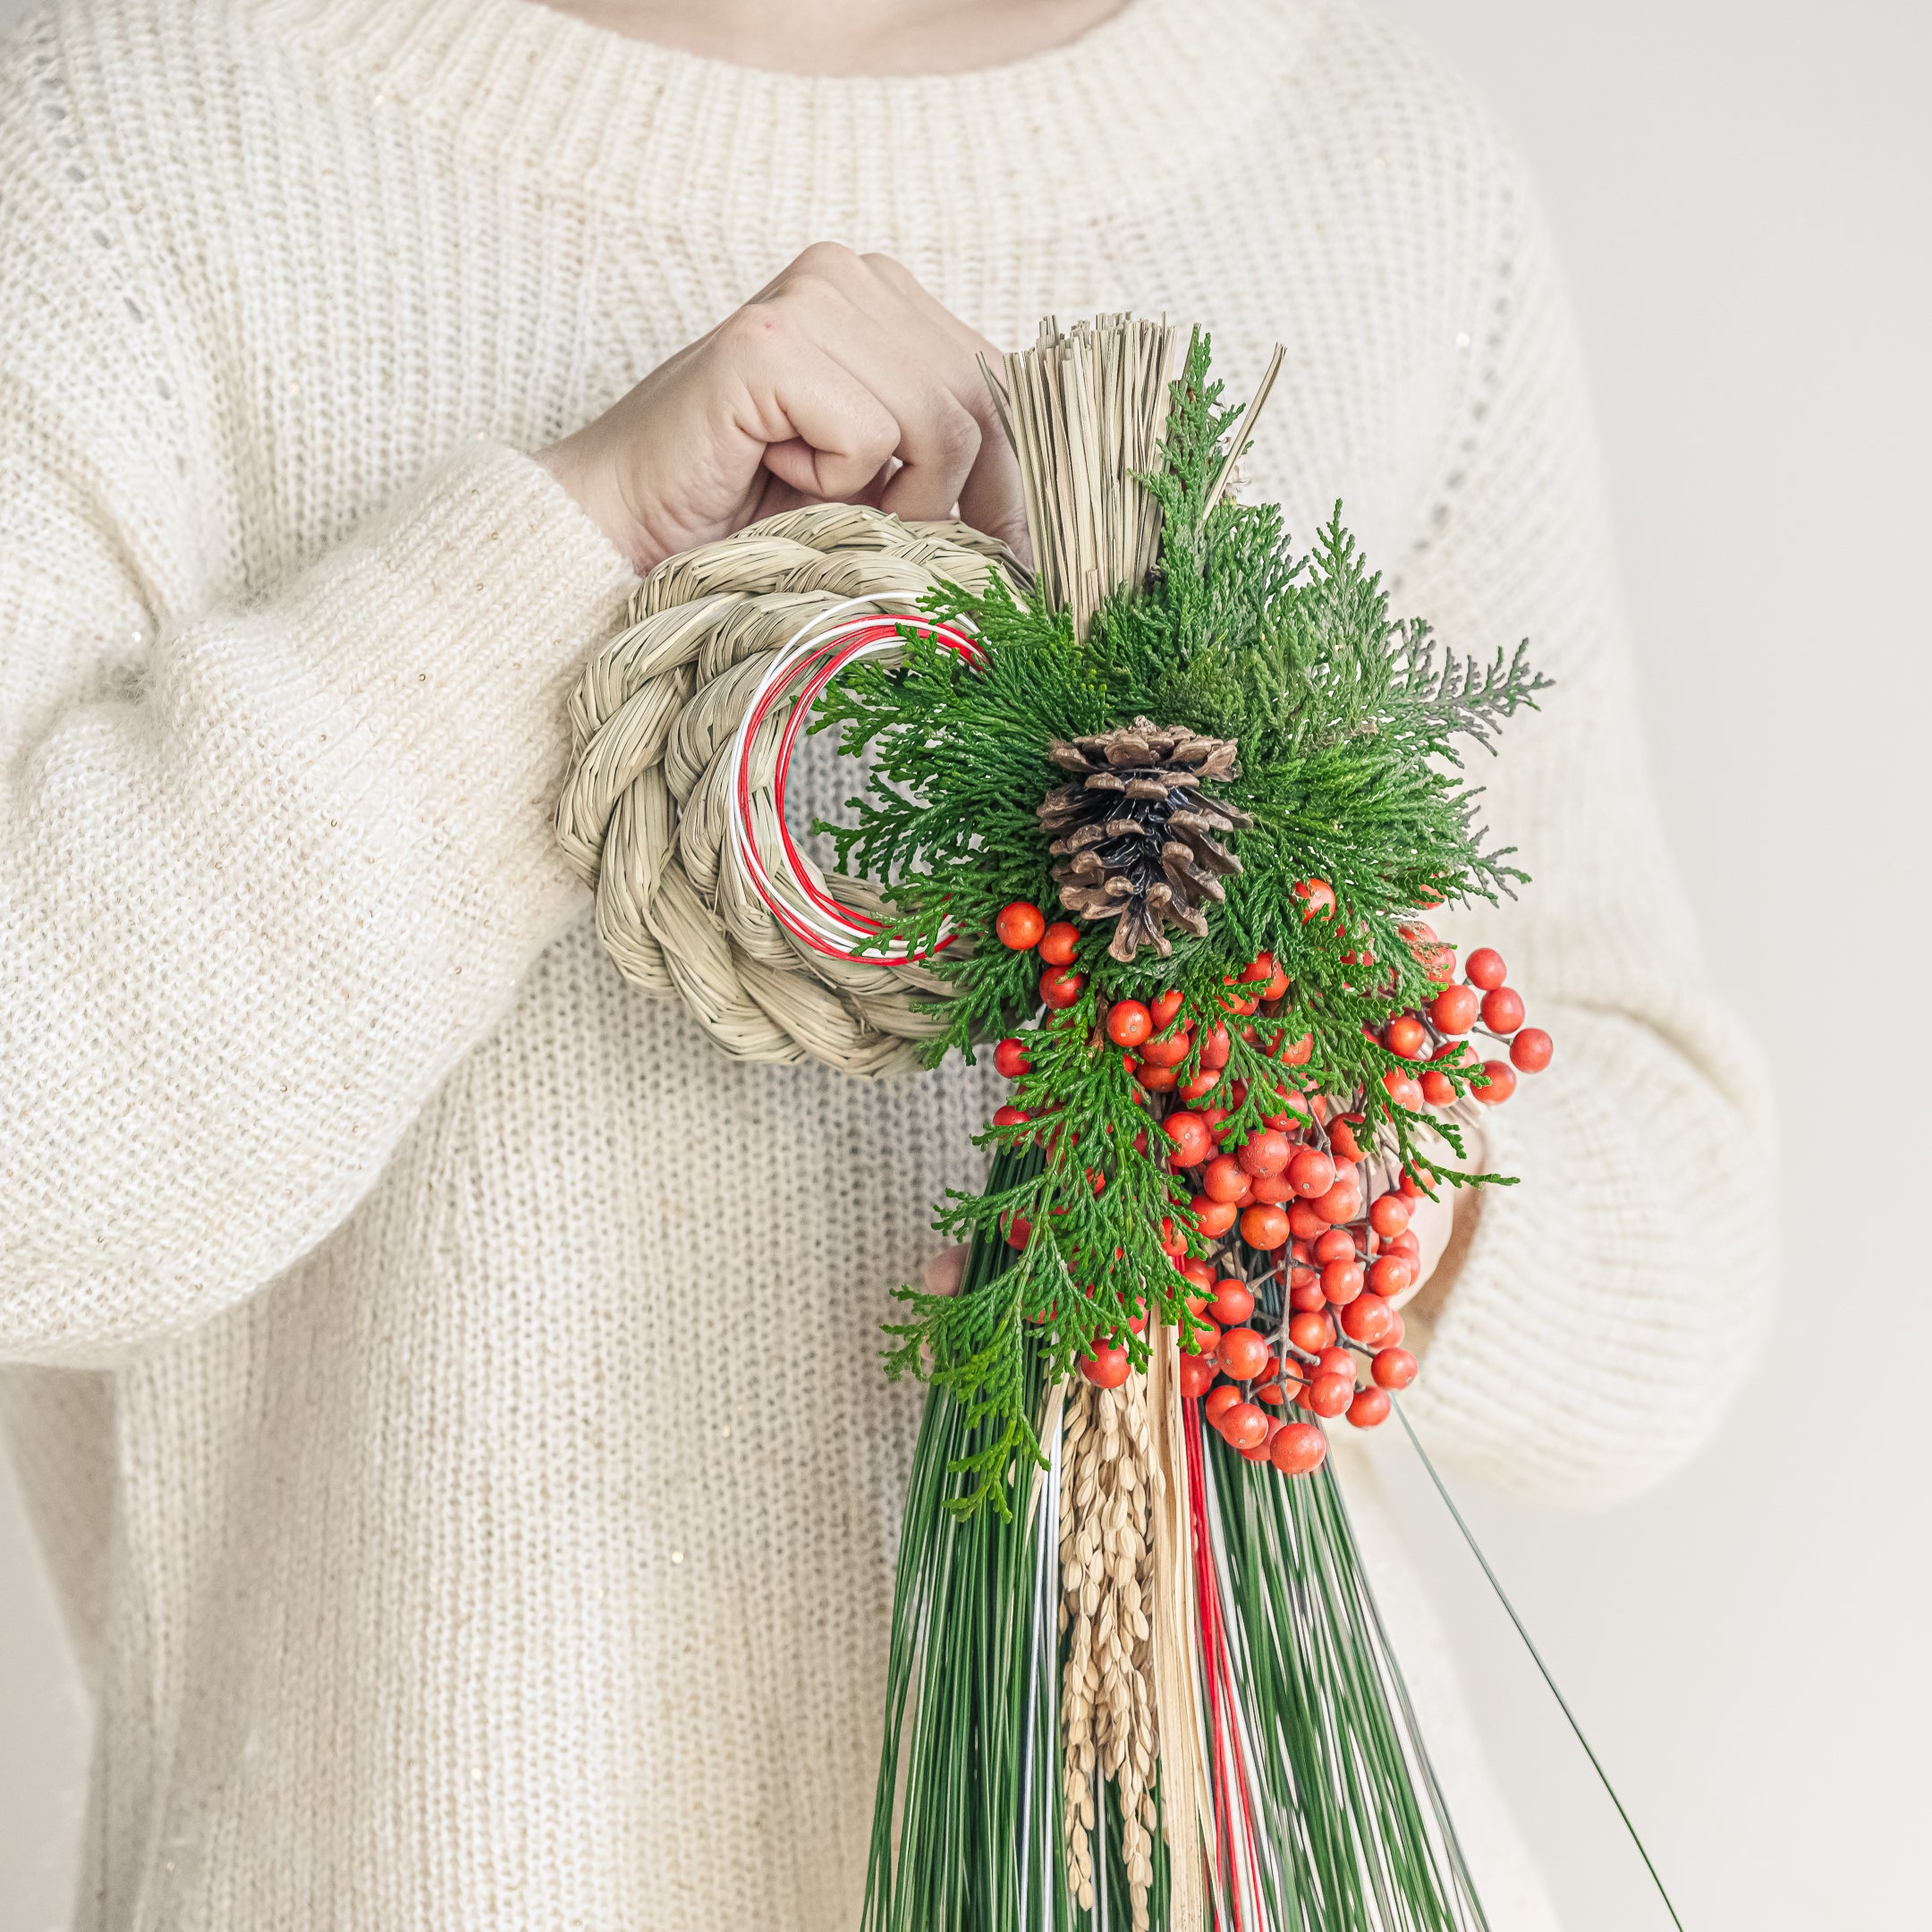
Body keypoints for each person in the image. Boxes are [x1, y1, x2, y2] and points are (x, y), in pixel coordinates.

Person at [0, 0, 1773, 1925]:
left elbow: (1670, 1273)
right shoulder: (142, 113)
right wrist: (571, 560)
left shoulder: (1369, 168)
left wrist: (1284, 1101)